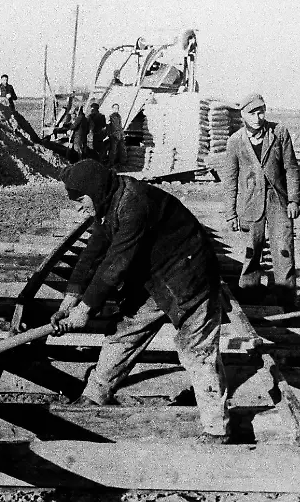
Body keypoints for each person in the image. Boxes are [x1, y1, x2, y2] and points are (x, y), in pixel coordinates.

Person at [50, 160, 230, 442]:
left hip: (190, 277)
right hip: (155, 278)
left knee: (197, 351)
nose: (78, 208)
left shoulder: (134, 205)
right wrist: (69, 300)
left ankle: (217, 429)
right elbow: (94, 251)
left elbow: (116, 263)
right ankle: (95, 395)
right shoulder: (111, 201)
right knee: (123, 332)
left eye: (80, 200)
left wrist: (85, 309)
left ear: (94, 191)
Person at [223, 93, 300, 310]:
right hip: (249, 203)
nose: (258, 118)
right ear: (243, 115)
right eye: (252, 113)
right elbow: (230, 179)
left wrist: (293, 200)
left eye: (261, 112)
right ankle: (250, 302)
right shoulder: (235, 141)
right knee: (251, 253)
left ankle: (286, 304)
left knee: (284, 251)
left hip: (279, 202)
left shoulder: (279, 133)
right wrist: (230, 214)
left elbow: (291, 168)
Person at [105, 103, 126, 168]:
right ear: (112, 109)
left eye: (117, 108)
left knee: (122, 149)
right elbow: (108, 127)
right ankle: (110, 163)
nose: (116, 109)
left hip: (119, 135)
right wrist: (110, 135)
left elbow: (120, 126)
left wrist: (122, 134)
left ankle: (122, 163)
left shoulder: (119, 116)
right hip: (114, 136)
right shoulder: (110, 117)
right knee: (113, 151)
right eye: (115, 108)